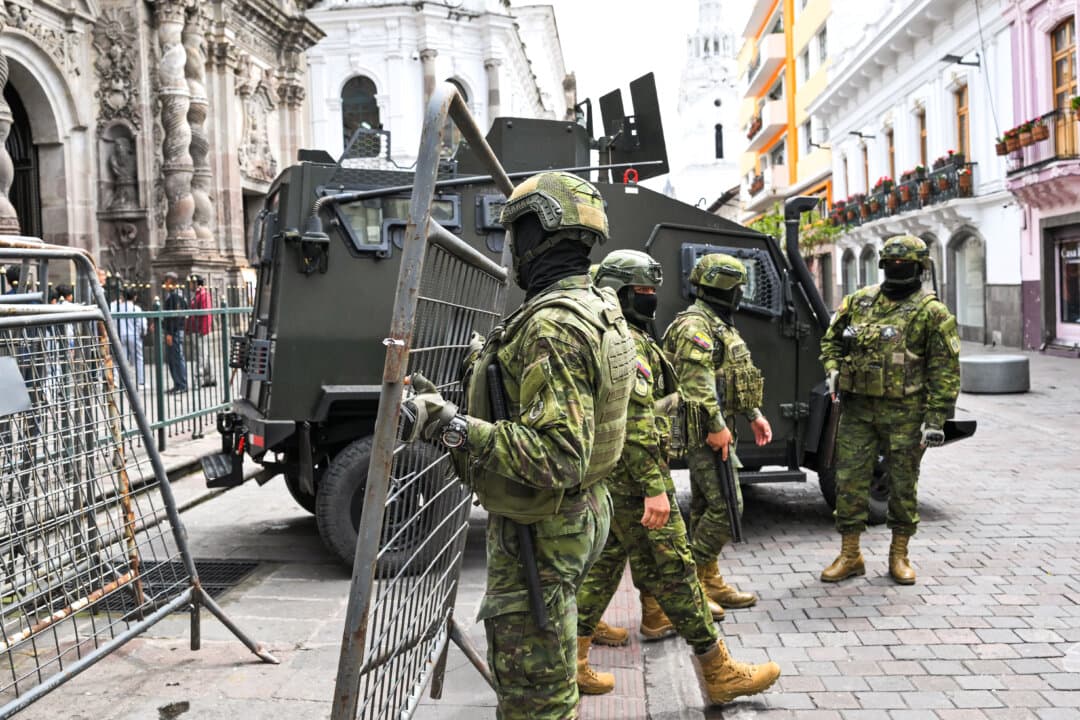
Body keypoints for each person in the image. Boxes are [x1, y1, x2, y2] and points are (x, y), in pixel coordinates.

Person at [399, 171, 634, 719]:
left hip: (544, 531)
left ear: (535, 236)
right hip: (572, 516)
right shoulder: (595, 305)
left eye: (515, 237)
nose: (511, 252)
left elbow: (558, 454)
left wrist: (448, 425)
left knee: (537, 701)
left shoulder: (554, 325)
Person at [574, 249, 781, 704]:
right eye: (644, 292)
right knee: (677, 569)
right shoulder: (622, 341)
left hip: (622, 475)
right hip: (635, 478)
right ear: (620, 293)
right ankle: (718, 670)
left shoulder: (629, 335)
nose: (652, 299)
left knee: (608, 565)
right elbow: (636, 420)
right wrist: (654, 487)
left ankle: (576, 657)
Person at [819, 234, 960, 584]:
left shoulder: (932, 312)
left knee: (902, 486)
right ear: (883, 265)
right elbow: (831, 340)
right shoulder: (859, 302)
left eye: (905, 265)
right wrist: (833, 368)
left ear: (920, 268)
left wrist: (936, 420)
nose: (898, 270)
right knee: (849, 483)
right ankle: (850, 554)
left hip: (906, 413)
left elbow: (945, 370)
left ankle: (899, 556)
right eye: (892, 264)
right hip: (857, 412)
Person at [662, 253, 773, 611]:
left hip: (718, 426)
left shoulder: (717, 322)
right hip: (704, 430)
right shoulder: (696, 326)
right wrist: (717, 427)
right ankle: (689, 587)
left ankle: (708, 581)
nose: (741, 294)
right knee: (727, 507)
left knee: (706, 505)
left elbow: (731, 375)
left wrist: (753, 414)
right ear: (728, 289)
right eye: (740, 288)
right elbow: (697, 385)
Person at [112, 287, 147, 386]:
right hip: (134, 335)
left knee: (119, 358)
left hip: (120, 334)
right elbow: (141, 323)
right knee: (138, 358)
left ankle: (118, 380)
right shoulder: (136, 309)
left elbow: (113, 320)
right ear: (135, 297)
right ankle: (140, 381)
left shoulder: (117, 308)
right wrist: (142, 333)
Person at [186, 274, 215, 387]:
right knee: (204, 354)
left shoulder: (203, 294)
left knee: (201, 355)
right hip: (196, 329)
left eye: (192, 283)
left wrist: (203, 329)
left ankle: (199, 379)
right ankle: (209, 377)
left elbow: (205, 313)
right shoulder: (197, 294)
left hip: (200, 330)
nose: (190, 285)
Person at [162, 271, 188, 393]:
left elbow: (175, 317)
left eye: (166, 281)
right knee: (173, 359)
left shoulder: (175, 296)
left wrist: (170, 333)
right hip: (175, 331)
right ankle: (177, 384)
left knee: (177, 358)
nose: (165, 284)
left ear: (170, 282)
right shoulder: (175, 295)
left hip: (175, 332)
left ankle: (182, 384)